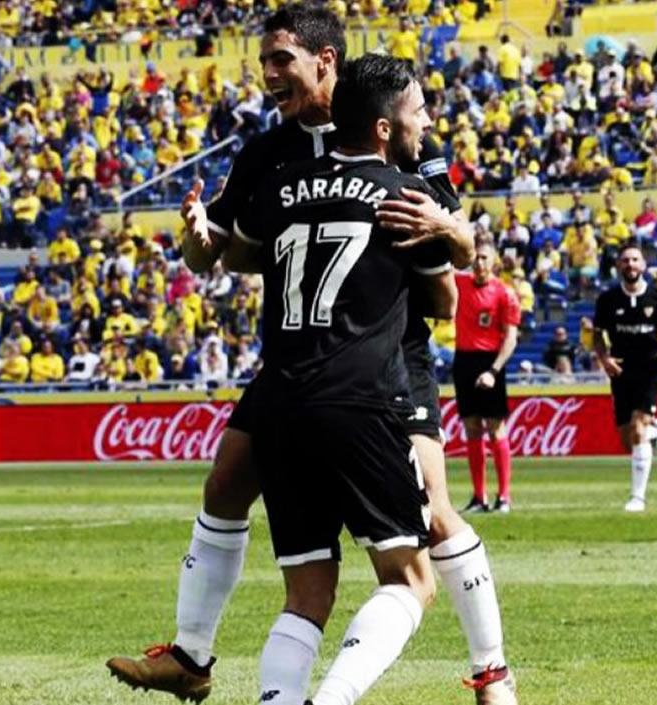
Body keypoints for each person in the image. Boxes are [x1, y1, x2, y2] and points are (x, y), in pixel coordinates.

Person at [108, 5, 517, 704]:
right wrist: (196, 241)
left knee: (435, 514)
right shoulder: (269, 152)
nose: (268, 75)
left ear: (325, 62)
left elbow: (453, 246)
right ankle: (191, 653)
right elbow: (227, 255)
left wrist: (447, 222)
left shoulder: (399, 129)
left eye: (281, 60)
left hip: (391, 351)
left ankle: (492, 671)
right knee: (227, 481)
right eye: (264, 61)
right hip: (305, 353)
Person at [234, 54, 455, 705]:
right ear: (385, 129)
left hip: (278, 400)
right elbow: (444, 303)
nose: (426, 122)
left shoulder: (283, 184)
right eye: (417, 112)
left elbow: (238, 250)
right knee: (412, 578)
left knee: (306, 592)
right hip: (362, 400)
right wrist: (451, 231)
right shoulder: (405, 197)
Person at [593, 244, 657, 512]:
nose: (630, 264)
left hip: (650, 367)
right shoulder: (607, 300)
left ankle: (637, 498)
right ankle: (655, 428)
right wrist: (604, 359)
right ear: (619, 265)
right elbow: (597, 335)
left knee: (637, 429)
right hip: (620, 369)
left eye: (635, 260)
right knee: (626, 438)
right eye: (625, 260)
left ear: (643, 265)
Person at [454, 242, 521, 513]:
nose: (479, 262)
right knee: (471, 428)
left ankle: (504, 497)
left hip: (490, 361)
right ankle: (478, 497)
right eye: (476, 258)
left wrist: (494, 371)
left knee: (495, 428)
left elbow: (511, 338)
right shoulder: (460, 284)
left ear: (494, 262)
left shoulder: (505, 293)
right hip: (463, 359)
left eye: (484, 258)